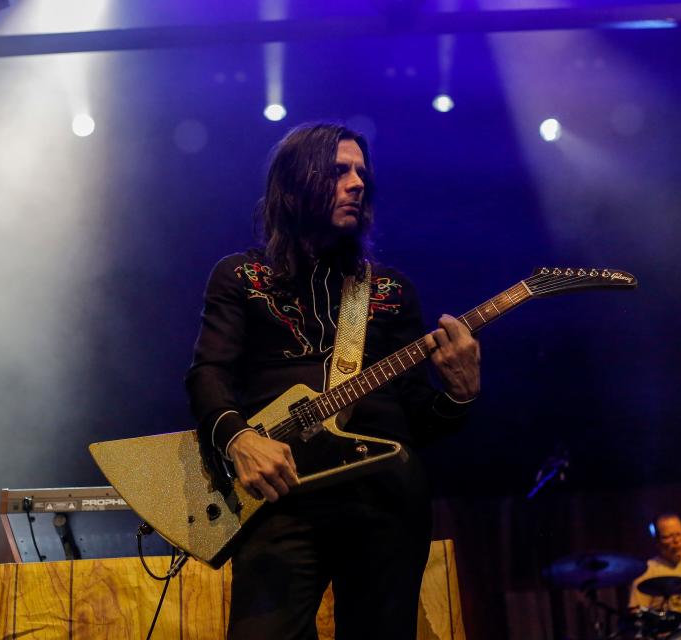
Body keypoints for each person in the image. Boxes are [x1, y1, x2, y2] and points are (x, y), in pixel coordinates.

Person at [186, 122, 481, 639]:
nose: (357, 183)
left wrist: (458, 396)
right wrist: (240, 439)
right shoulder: (240, 277)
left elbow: (418, 420)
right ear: (295, 184)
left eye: (362, 173)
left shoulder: (390, 290)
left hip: (384, 499)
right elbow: (208, 373)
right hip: (281, 495)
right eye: (340, 170)